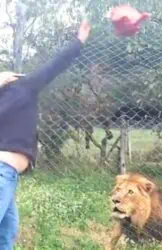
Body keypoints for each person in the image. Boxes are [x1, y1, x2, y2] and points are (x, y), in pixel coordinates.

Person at [0, 21, 91, 249]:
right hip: (3, 172)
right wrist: (78, 42)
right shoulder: (24, 86)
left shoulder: (16, 92)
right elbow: (53, 66)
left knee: (7, 230)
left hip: (7, 173)